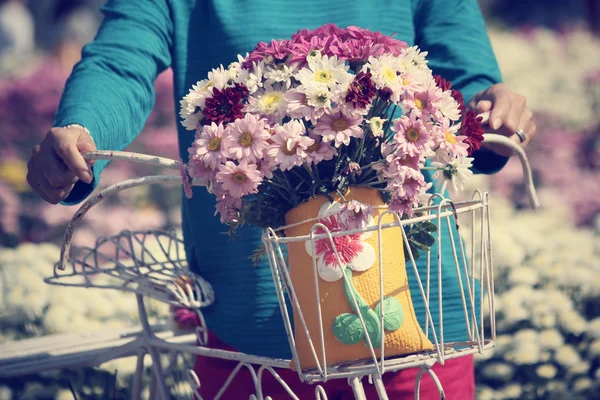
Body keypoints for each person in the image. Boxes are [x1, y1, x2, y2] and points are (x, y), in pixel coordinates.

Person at [26, 0, 536, 398]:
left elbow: (466, 82)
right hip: (254, 338)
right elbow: (121, 61)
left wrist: (491, 110)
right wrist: (81, 128)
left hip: (416, 322)